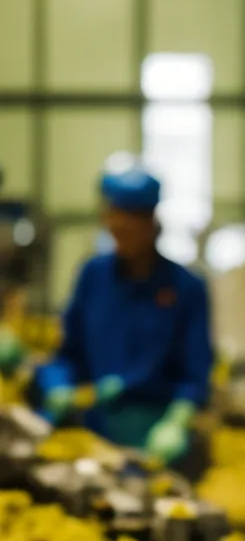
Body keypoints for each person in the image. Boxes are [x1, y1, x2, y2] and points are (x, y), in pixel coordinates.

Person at [36, 165, 212, 471]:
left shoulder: (186, 288)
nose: (121, 233)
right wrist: (58, 384)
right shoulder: (93, 277)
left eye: (131, 224)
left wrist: (177, 421)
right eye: (114, 225)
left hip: (157, 437)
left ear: (151, 222)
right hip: (95, 434)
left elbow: (196, 373)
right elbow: (68, 353)